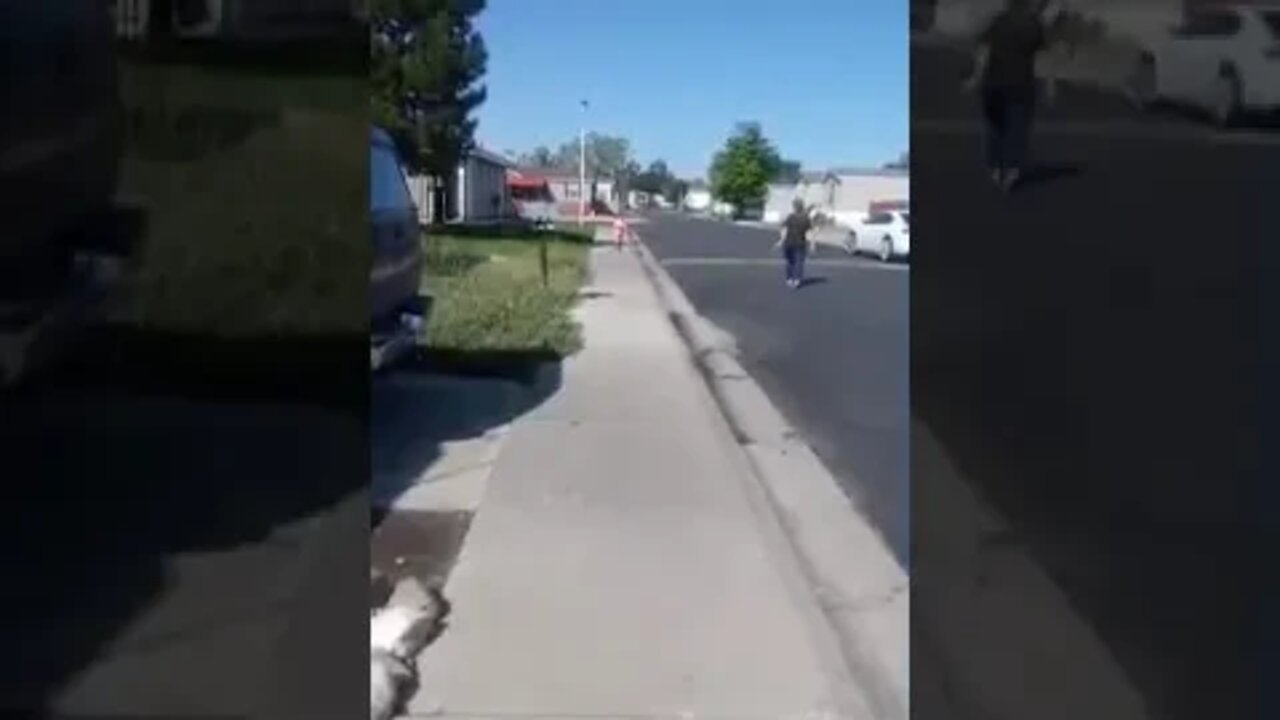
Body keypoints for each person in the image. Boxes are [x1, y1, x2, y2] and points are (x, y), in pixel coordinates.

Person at [962, 0, 1055, 193]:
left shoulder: (998, 21)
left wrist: (975, 78)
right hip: (1021, 85)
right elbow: (1044, 59)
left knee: (995, 127)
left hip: (993, 83)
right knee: (1018, 128)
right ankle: (1012, 170)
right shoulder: (1034, 26)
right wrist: (1049, 85)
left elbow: (983, 51)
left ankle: (996, 168)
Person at [775, 199, 814, 289]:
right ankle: (797, 280)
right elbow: (810, 232)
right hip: (800, 243)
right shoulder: (806, 218)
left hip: (789, 243)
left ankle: (789, 279)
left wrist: (781, 240)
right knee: (799, 262)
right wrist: (812, 244)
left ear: (794, 207)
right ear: (802, 206)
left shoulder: (790, 217)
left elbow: (783, 228)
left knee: (790, 262)